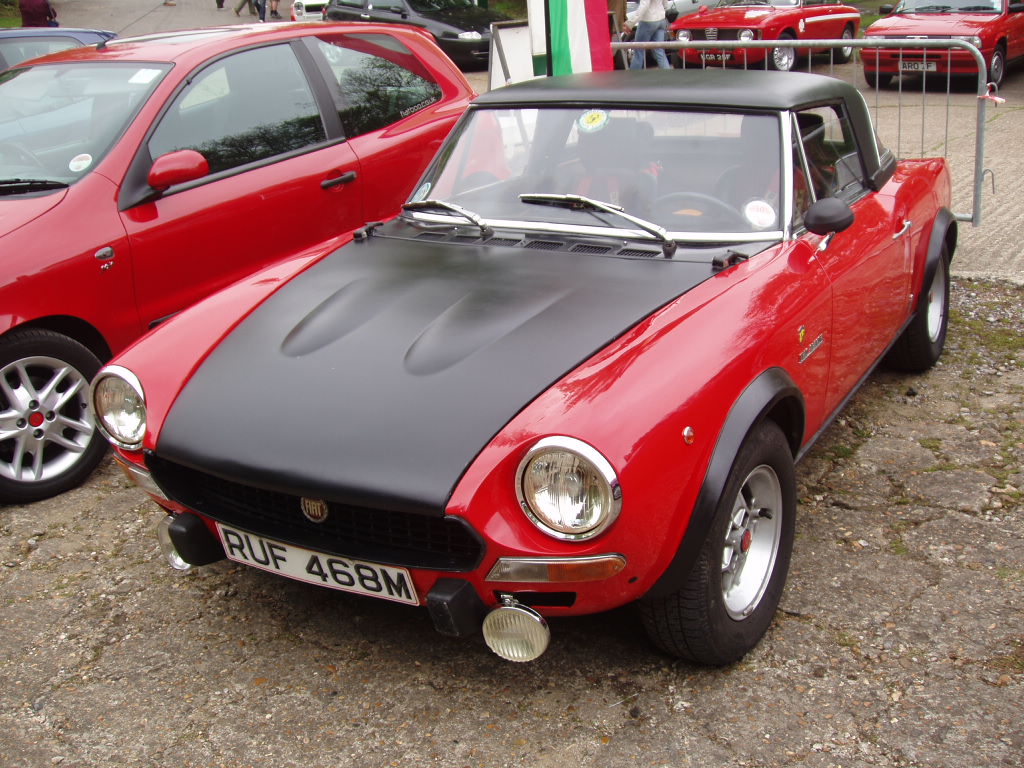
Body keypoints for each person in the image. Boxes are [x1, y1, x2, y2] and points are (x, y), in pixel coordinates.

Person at [623, 0, 672, 70]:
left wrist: (630, 23)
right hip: (661, 19)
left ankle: (633, 75)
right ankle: (668, 74)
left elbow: (644, 6)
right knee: (659, 50)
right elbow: (665, 3)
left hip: (648, 20)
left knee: (639, 50)